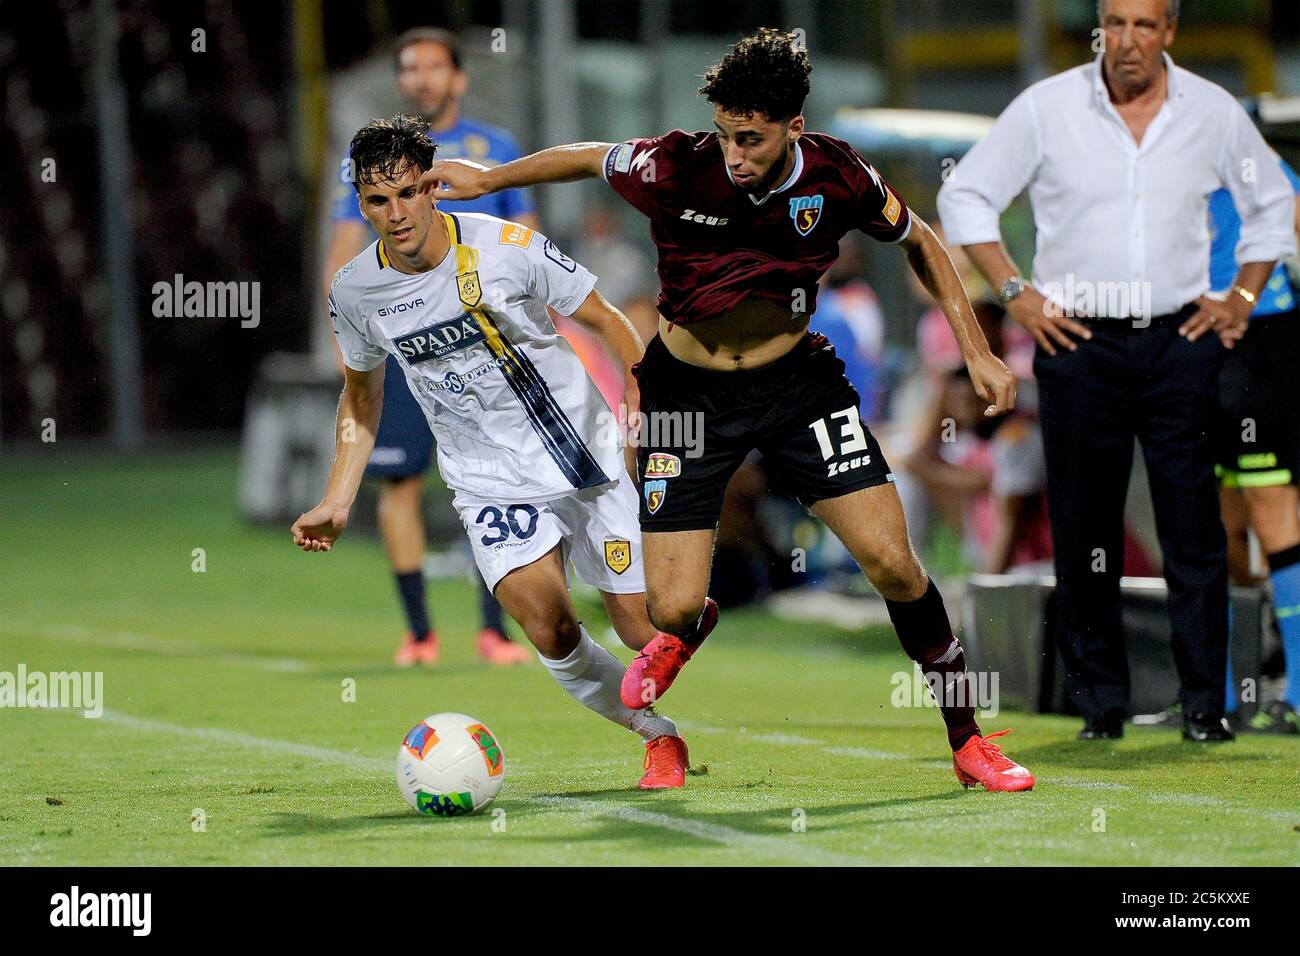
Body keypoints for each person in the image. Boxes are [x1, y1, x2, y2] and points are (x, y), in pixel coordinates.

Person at [423, 28, 1034, 792]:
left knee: (894, 565)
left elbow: (921, 240)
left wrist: (975, 346)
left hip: (798, 388)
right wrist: (490, 178)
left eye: (751, 138)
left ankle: (969, 739)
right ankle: (692, 626)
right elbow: (584, 156)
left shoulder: (838, 175)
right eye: (725, 135)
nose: (735, 154)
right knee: (669, 609)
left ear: (793, 128)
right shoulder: (674, 165)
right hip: (689, 397)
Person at [294, 115, 689, 788]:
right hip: (488, 482)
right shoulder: (355, 292)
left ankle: (692, 603)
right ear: (360, 204)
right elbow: (361, 399)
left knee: (640, 628)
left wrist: (643, 401)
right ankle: (658, 737)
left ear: (433, 188)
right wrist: (337, 497)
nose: (395, 214)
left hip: (582, 456)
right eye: (377, 201)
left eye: (409, 193)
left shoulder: (507, 246)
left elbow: (608, 319)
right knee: (550, 626)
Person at [938, 0, 1296, 741]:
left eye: (1143, 24)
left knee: (1193, 532)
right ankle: (1100, 706)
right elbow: (964, 194)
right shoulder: (1047, 107)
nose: (1127, 40)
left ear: (1169, 31)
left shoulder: (1214, 112)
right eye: (1115, 22)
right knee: (1083, 528)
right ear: (1101, 25)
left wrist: (1242, 297)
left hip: (1180, 340)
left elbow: (1274, 201)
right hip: (1077, 344)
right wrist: (1016, 292)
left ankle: (1207, 706)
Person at [321, 27, 539, 667]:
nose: (420, 79)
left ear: (458, 78)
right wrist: (343, 333)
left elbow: (526, 239)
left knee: (500, 481)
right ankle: (420, 632)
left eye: (432, 67)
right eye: (409, 69)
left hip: (486, 348)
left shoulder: (493, 151)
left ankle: (493, 629)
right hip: (406, 342)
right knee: (400, 483)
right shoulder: (366, 164)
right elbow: (342, 248)